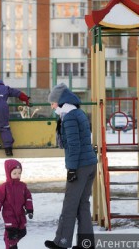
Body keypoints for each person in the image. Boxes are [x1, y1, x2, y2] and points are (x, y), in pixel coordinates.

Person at [44, 83, 97, 249]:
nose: (51, 105)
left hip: (80, 165)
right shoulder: (77, 112)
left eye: (53, 102)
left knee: (70, 204)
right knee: (83, 204)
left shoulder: (69, 117)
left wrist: (72, 168)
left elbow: (74, 145)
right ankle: (86, 244)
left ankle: (62, 242)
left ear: (61, 101)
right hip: (89, 164)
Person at [0, 159, 34, 249]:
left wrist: (29, 209)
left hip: (20, 213)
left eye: (19, 173)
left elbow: (28, 198)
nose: (17, 175)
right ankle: (11, 245)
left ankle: (9, 241)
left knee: (22, 232)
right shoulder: (4, 187)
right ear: (8, 173)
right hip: (9, 214)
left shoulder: (23, 186)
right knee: (12, 233)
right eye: (14, 173)